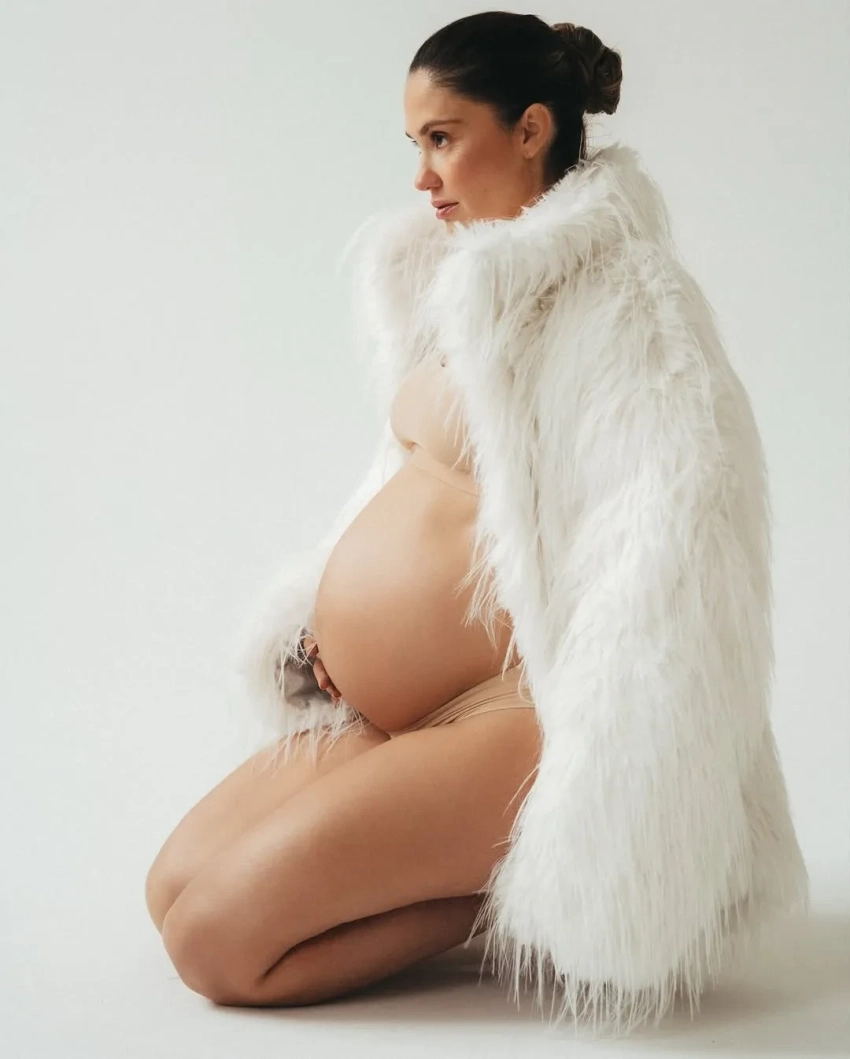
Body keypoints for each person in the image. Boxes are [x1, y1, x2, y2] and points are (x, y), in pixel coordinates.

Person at [145, 12, 809, 1036]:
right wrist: (327, 624)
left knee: (216, 945)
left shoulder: (632, 307)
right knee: (171, 889)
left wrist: (610, 781)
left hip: (512, 717)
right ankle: (465, 871)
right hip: (399, 711)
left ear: (531, 129)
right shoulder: (457, 289)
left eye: (443, 139)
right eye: (415, 143)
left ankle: (517, 891)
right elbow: (411, 495)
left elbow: (677, 549)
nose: (421, 177)